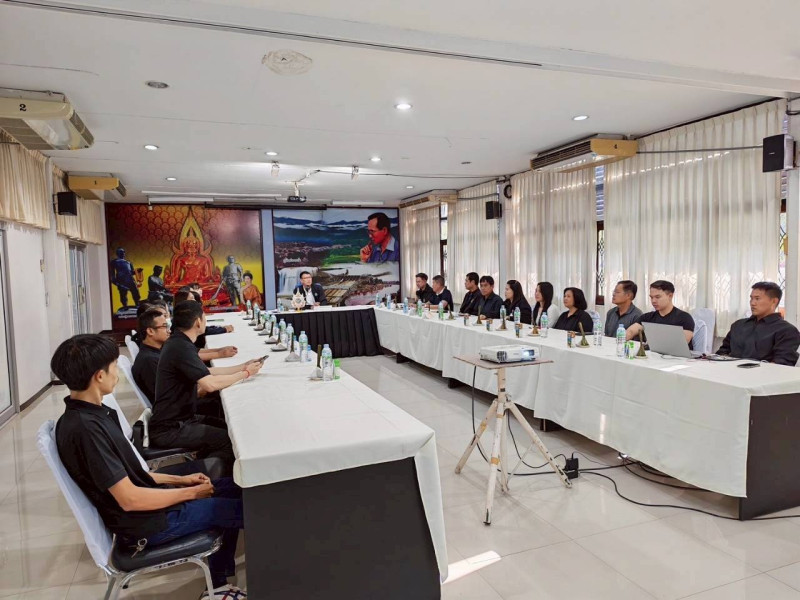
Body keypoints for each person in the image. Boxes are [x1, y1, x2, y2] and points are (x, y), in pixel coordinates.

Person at [51, 334, 246, 598]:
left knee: (240, 487)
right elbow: (130, 499)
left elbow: (133, 475)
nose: (116, 373)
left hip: (152, 506)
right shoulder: (86, 429)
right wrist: (191, 493)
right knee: (250, 509)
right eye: (113, 367)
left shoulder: (92, 413)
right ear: (99, 376)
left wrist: (182, 481)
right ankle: (230, 584)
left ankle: (220, 578)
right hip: (147, 525)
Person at [150, 301, 264, 471]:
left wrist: (243, 366)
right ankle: (210, 478)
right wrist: (246, 373)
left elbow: (208, 372)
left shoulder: (179, 342)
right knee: (230, 440)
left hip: (183, 418)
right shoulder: (180, 347)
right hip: (171, 428)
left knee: (231, 427)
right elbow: (210, 384)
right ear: (198, 321)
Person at [718, 282, 800, 366]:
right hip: (728, 371)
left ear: (774, 301)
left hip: (763, 373)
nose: (752, 303)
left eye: (757, 299)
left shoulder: (787, 330)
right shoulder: (738, 325)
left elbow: (781, 364)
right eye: (751, 298)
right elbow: (721, 354)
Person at [626, 280, 695, 349]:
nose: (653, 301)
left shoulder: (684, 318)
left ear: (670, 296)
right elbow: (630, 332)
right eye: (651, 297)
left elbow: (681, 344)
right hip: (652, 354)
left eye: (657, 297)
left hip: (676, 355)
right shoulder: (647, 317)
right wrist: (623, 338)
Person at [131, 308, 170, 406]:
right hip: (177, 410)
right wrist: (198, 391)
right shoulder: (149, 360)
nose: (169, 331)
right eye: (164, 326)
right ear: (150, 331)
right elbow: (167, 396)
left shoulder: (154, 353)